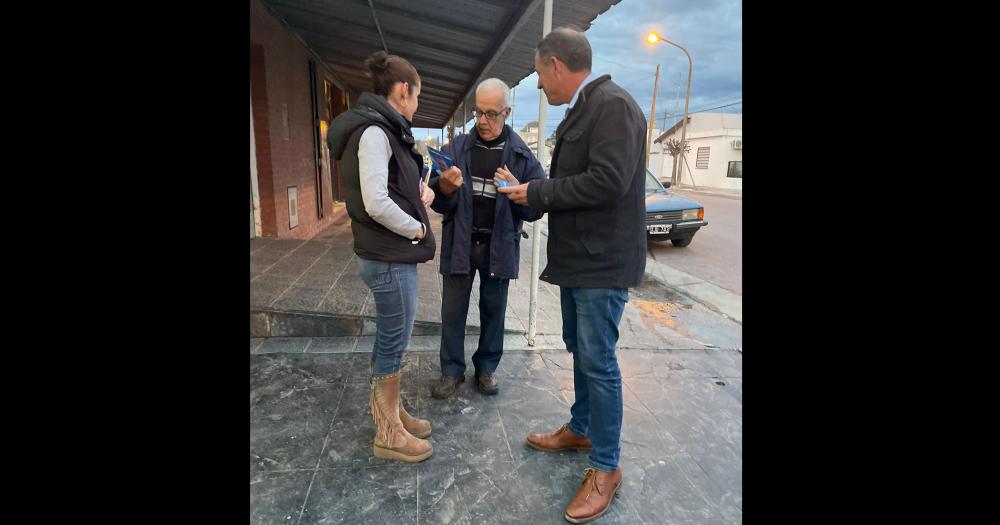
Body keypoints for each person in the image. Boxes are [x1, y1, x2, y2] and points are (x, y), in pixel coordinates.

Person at [497, 28, 647, 522]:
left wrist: (539, 193)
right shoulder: (587, 109)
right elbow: (575, 182)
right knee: (580, 351)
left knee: (598, 361)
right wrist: (531, 193)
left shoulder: (613, 106)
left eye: (540, 75)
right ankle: (581, 427)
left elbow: (608, 180)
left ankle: (606, 467)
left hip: (602, 264)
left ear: (556, 65)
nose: (540, 86)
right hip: (579, 261)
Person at [328, 51, 437, 463]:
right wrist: (418, 227)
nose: (417, 106)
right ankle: (388, 433)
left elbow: (390, 189)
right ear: (404, 90)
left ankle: (392, 412)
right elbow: (375, 201)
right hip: (389, 257)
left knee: (393, 340)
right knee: (393, 342)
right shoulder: (375, 132)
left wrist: (420, 195)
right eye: (417, 96)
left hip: (388, 255)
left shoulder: (383, 130)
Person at [428, 78, 545, 399]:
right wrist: (445, 189)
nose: (482, 121)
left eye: (491, 114)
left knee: (494, 312)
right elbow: (439, 200)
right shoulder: (457, 149)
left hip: (499, 244)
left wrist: (518, 187)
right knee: (452, 311)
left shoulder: (522, 156)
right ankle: (451, 371)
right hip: (461, 242)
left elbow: (537, 208)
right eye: (478, 112)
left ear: (507, 112)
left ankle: (486, 369)